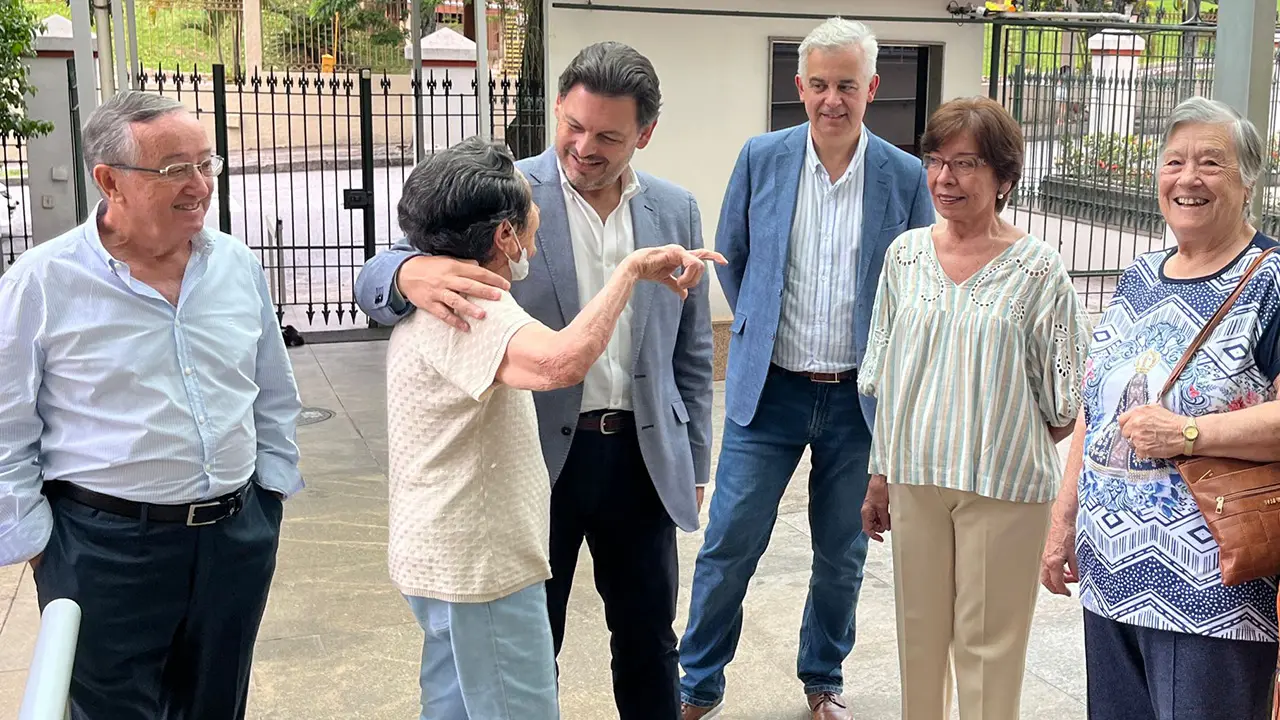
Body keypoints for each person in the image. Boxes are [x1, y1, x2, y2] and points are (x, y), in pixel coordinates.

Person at [355, 42, 715, 719]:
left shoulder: (674, 207)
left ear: (644, 133)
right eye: (573, 126)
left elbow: (690, 350)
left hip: (640, 455)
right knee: (522, 642)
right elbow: (387, 266)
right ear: (556, 109)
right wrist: (405, 274)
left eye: (608, 135)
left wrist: (694, 454)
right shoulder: (506, 194)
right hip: (537, 463)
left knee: (647, 638)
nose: (584, 146)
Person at [0, 91, 302, 719]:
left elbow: (272, 391)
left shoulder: (236, 266)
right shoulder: (42, 283)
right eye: (174, 170)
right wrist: (40, 547)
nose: (199, 186)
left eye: (206, 164)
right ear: (109, 180)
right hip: (103, 551)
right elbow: (6, 429)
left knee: (217, 704)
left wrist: (269, 494)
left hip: (234, 538)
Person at [678, 17, 935, 720]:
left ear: (871, 88)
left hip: (859, 400)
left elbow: (914, 281)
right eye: (818, 84)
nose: (831, 99)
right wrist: (760, 327)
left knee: (842, 555)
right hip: (772, 394)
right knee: (729, 543)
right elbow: (732, 254)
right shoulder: (761, 157)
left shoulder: (904, 175)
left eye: (846, 85)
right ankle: (696, 684)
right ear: (799, 87)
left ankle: (824, 679)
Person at [1041, 96, 1280, 720]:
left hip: (1213, 585)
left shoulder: (1271, 280)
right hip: (1110, 572)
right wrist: (1064, 519)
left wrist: (1190, 433)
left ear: (1249, 181)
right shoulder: (1140, 274)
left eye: (1211, 162)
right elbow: (1097, 409)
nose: (1188, 178)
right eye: (1174, 162)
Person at [857, 96, 1089, 720]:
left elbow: (1069, 397)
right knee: (919, 642)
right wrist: (880, 476)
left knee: (988, 654)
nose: (945, 178)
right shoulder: (904, 257)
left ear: (1004, 176)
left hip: (1004, 486)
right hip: (915, 481)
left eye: (965, 163)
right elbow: (886, 376)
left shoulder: (1038, 269)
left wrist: (997, 427)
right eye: (935, 160)